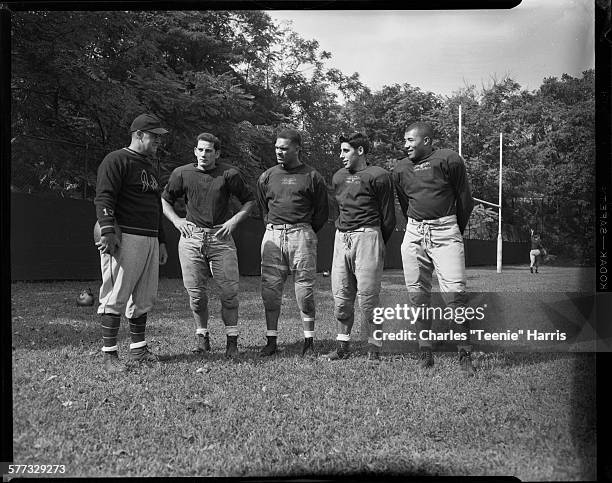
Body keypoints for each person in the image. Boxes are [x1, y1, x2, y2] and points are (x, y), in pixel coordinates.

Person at [161, 133, 255, 359]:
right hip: (191, 238)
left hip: (221, 238)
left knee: (229, 293)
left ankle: (232, 341)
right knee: (196, 295)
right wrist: (177, 220)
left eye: (209, 151)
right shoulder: (181, 173)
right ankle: (202, 338)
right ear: (195, 151)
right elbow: (165, 200)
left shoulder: (229, 174)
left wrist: (233, 221)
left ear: (217, 153)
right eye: (200, 150)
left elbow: (249, 201)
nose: (204, 154)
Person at [393, 122, 476, 375]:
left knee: (456, 294)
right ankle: (425, 352)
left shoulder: (449, 159)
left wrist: (451, 231)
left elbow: (465, 200)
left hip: (446, 230)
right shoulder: (400, 169)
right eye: (404, 140)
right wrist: (417, 230)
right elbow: (406, 203)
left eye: (410, 140)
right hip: (415, 231)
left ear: (427, 141)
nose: (405, 145)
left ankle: (464, 354)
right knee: (417, 295)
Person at [94, 113, 169, 373]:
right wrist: (107, 231)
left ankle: (138, 350)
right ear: (139, 135)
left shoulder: (149, 165)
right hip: (125, 235)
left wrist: (161, 240)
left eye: (160, 137)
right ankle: (109, 355)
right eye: (154, 136)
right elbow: (104, 197)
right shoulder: (116, 160)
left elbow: (155, 206)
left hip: (148, 237)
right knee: (116, 295)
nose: (159, 141)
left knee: (144, 297)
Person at [322, 132, 396, 362]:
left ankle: (374, 349)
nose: (341, 155)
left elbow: (388, 217)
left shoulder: (380, 176)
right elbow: (339, 210)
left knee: (368, 298)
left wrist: (374, 241)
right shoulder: (338, 177)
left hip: (368, 237)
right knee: (342, 296)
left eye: (346, 150)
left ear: (360, 151)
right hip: (341, 238)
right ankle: (342, 347)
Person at [256, 128, 329, 357]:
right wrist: (275, 228)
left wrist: (303, 230)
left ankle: (309, 341)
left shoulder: (312, 176)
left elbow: (321, 212)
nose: (279, 151)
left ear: (297, 148)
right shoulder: (267, 176)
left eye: (284, 148)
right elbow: (263, 209)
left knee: (304, 291)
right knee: (270, 291)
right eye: (277, 147)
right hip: (273, 235)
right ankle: (271, 341)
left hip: (302, 236)